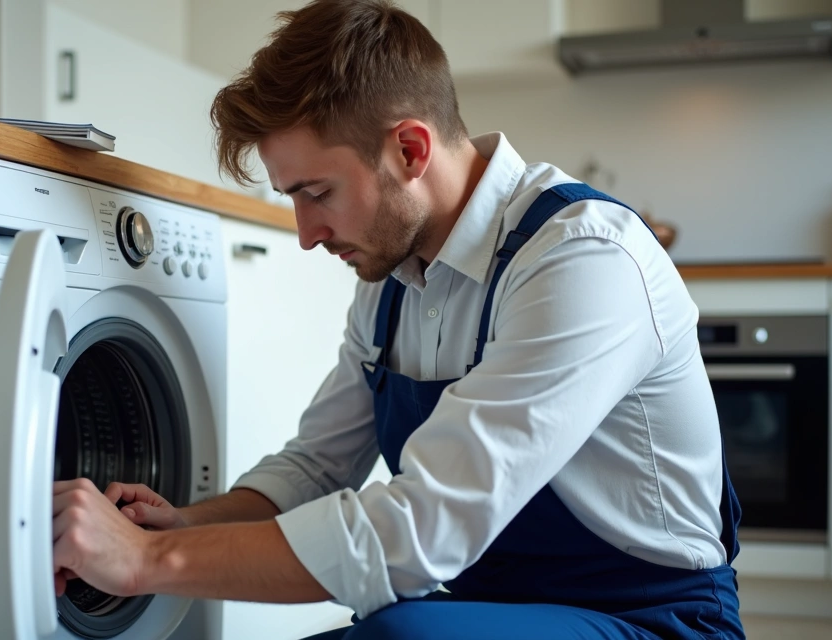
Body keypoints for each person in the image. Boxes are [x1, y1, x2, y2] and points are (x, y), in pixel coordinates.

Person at [51, 1, 745, 637]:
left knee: (395, 633)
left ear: (409, 151)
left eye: (317, 192)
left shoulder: (581, 260)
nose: (305, 233)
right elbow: (316, 468)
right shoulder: (391, 279)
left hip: (653, 620)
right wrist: (183, 523)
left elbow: (423, 531)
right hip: (501, 610)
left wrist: (149, 559)